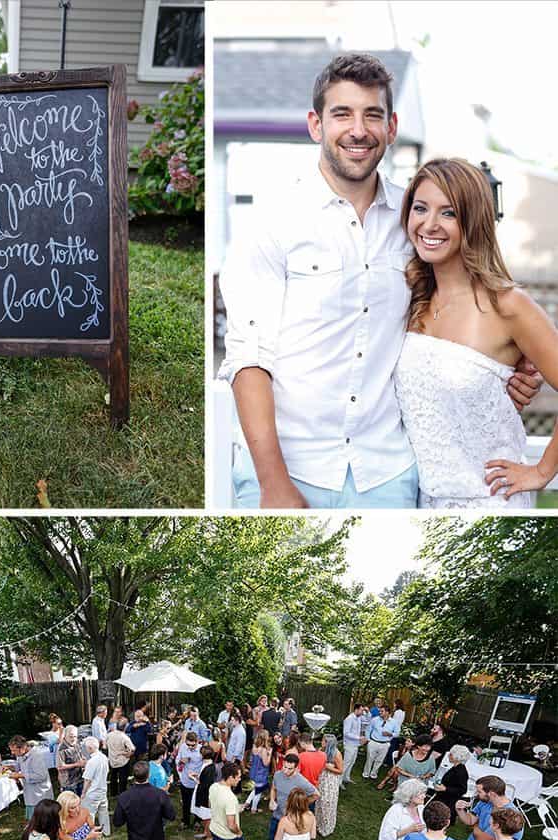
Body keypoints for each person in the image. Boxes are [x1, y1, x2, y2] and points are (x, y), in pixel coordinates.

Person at [218, 53, 539, 510]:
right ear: (316, 124)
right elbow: (249, 356)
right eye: (342, 114)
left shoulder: (415, 223)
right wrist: (274, 484)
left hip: (389, 473)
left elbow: (467, 304)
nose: (358, 129)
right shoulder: (272, 222)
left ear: (391, 127)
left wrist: (513, 364)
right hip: (290, 469)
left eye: (373, 115)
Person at [395, 156, 558, 508]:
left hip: (490, 503)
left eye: (449, 213)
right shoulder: (410, 301)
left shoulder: (509, 306)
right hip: (423, 503)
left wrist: (542, 470)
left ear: (473, 221)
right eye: (420, 208)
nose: (430, 224)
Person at [257, 753, 317, 840]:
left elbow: (316, 795)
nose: (285, 770)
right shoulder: (278, 775)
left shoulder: (301, 782)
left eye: (289, 768)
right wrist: (272, 800)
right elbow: (274, 788)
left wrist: (300, 806)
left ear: (296, 768)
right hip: (277, 815)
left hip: (291, 820)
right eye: (284, 766)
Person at [8, 736, 55, 820]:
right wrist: (10, 768)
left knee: (44, 821)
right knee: (34, 822)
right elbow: (19, 767)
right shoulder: (20, 755)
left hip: (40, 795)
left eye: (14, 750)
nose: (12, 753)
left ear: (23, 747)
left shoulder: (36, 756)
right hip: (30, 795)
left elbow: (41, 776)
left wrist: (20, 775)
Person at [429, 745, 471, 823]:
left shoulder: (461, 772)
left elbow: (462, 790)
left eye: (451, 754)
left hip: (449, 802)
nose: (448, 755)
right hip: (444, 798)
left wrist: (445, 789)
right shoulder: (455, 768)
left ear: (457, 757)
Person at [315, 734, 344, 837]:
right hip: (322, 779)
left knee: (327, 803)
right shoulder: (321, 750)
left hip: (330, 781)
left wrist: (327, 767)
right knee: (319, 801)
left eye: (323, 740)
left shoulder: (337, 754)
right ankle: (318, 823)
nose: (321, 742)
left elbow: (340, 770)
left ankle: (326, 828)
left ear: (328, 743)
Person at [80, 737, 110, 836]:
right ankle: (106, 831)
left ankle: (90, 834)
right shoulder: (104, 757)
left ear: (89, 748)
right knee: (103, 812)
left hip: (92, 791)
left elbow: (87, 780)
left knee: (89, 814)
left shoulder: (92, 762)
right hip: (103, 789)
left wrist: (83, 793)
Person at [363, 705, 400, 780]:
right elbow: (368, 729)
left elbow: (397, 733)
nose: (380, 712)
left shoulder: (394, 722)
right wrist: (368, 740)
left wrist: (390, 734)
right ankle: (366, 773)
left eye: (382, 711)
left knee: (380, 760)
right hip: (373, 742)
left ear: (387, 712)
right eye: (380, 711)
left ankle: (373, 774)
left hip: (385, 744)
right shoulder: (375, 720)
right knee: (369, 758)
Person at [192, 743, 218, 840]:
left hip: (205, 796)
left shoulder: (209, 768)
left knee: (207, 817)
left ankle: (209, 837)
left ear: (202, 756)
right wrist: (198, 776)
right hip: (202, 794)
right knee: (203, 816)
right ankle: (205, 833)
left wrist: (194, 779)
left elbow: (205, 785)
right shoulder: (207, 764)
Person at [176, 731, 203, 828]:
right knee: (186, 803)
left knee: (197, 802)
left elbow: (205, 765)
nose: (190, 747)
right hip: (185, 780)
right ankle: (185, 821)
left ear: (197, 742)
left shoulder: (201, 750)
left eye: (192, 745)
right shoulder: (183, 747)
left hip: (196, 782)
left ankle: (197, 821)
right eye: (188, 745)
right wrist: (181, 761)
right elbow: (177, 760)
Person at [243, 729, 272, 813]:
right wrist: (269, 754)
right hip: (261, 773)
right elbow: (266, 763)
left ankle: (247, 803)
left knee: (256, 789)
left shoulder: (254, 746)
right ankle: (253, 809)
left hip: (254, 771)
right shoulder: (263, 750)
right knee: (258, 792)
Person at [107, 717, 135, 797]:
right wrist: (128, 754)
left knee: (113, 777)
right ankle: (122, 793)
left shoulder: (109, 735)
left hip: (112, 760)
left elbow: (105, 746)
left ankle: (113, 793)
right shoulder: (124, 737)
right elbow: (132, 749)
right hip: (122, 760)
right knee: (123, 778)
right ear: (126, 726)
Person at [56, 725, 87, 796]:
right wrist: (77, 764)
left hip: (80, 779)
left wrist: (83, 760)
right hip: (69, 784)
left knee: (80, 802)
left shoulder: (76, 744)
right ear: (65, 736)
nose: (73, 739)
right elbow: (60, 767)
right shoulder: (61, 749)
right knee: (70, 805)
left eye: (75, 736)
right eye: (71, 736)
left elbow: (80, 757)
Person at [341, 703, 366, 787]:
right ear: (356, 709)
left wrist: (367, 712)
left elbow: (368, 720)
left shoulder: (359, 718)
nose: (363, 712)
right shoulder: (349, 719)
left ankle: (346, 777)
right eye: (361, 710)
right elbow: (346, 733)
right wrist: (359, 738)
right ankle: (339, 781)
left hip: (355, 745)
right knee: (346, 763)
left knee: (352, 762)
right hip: (349, 745)